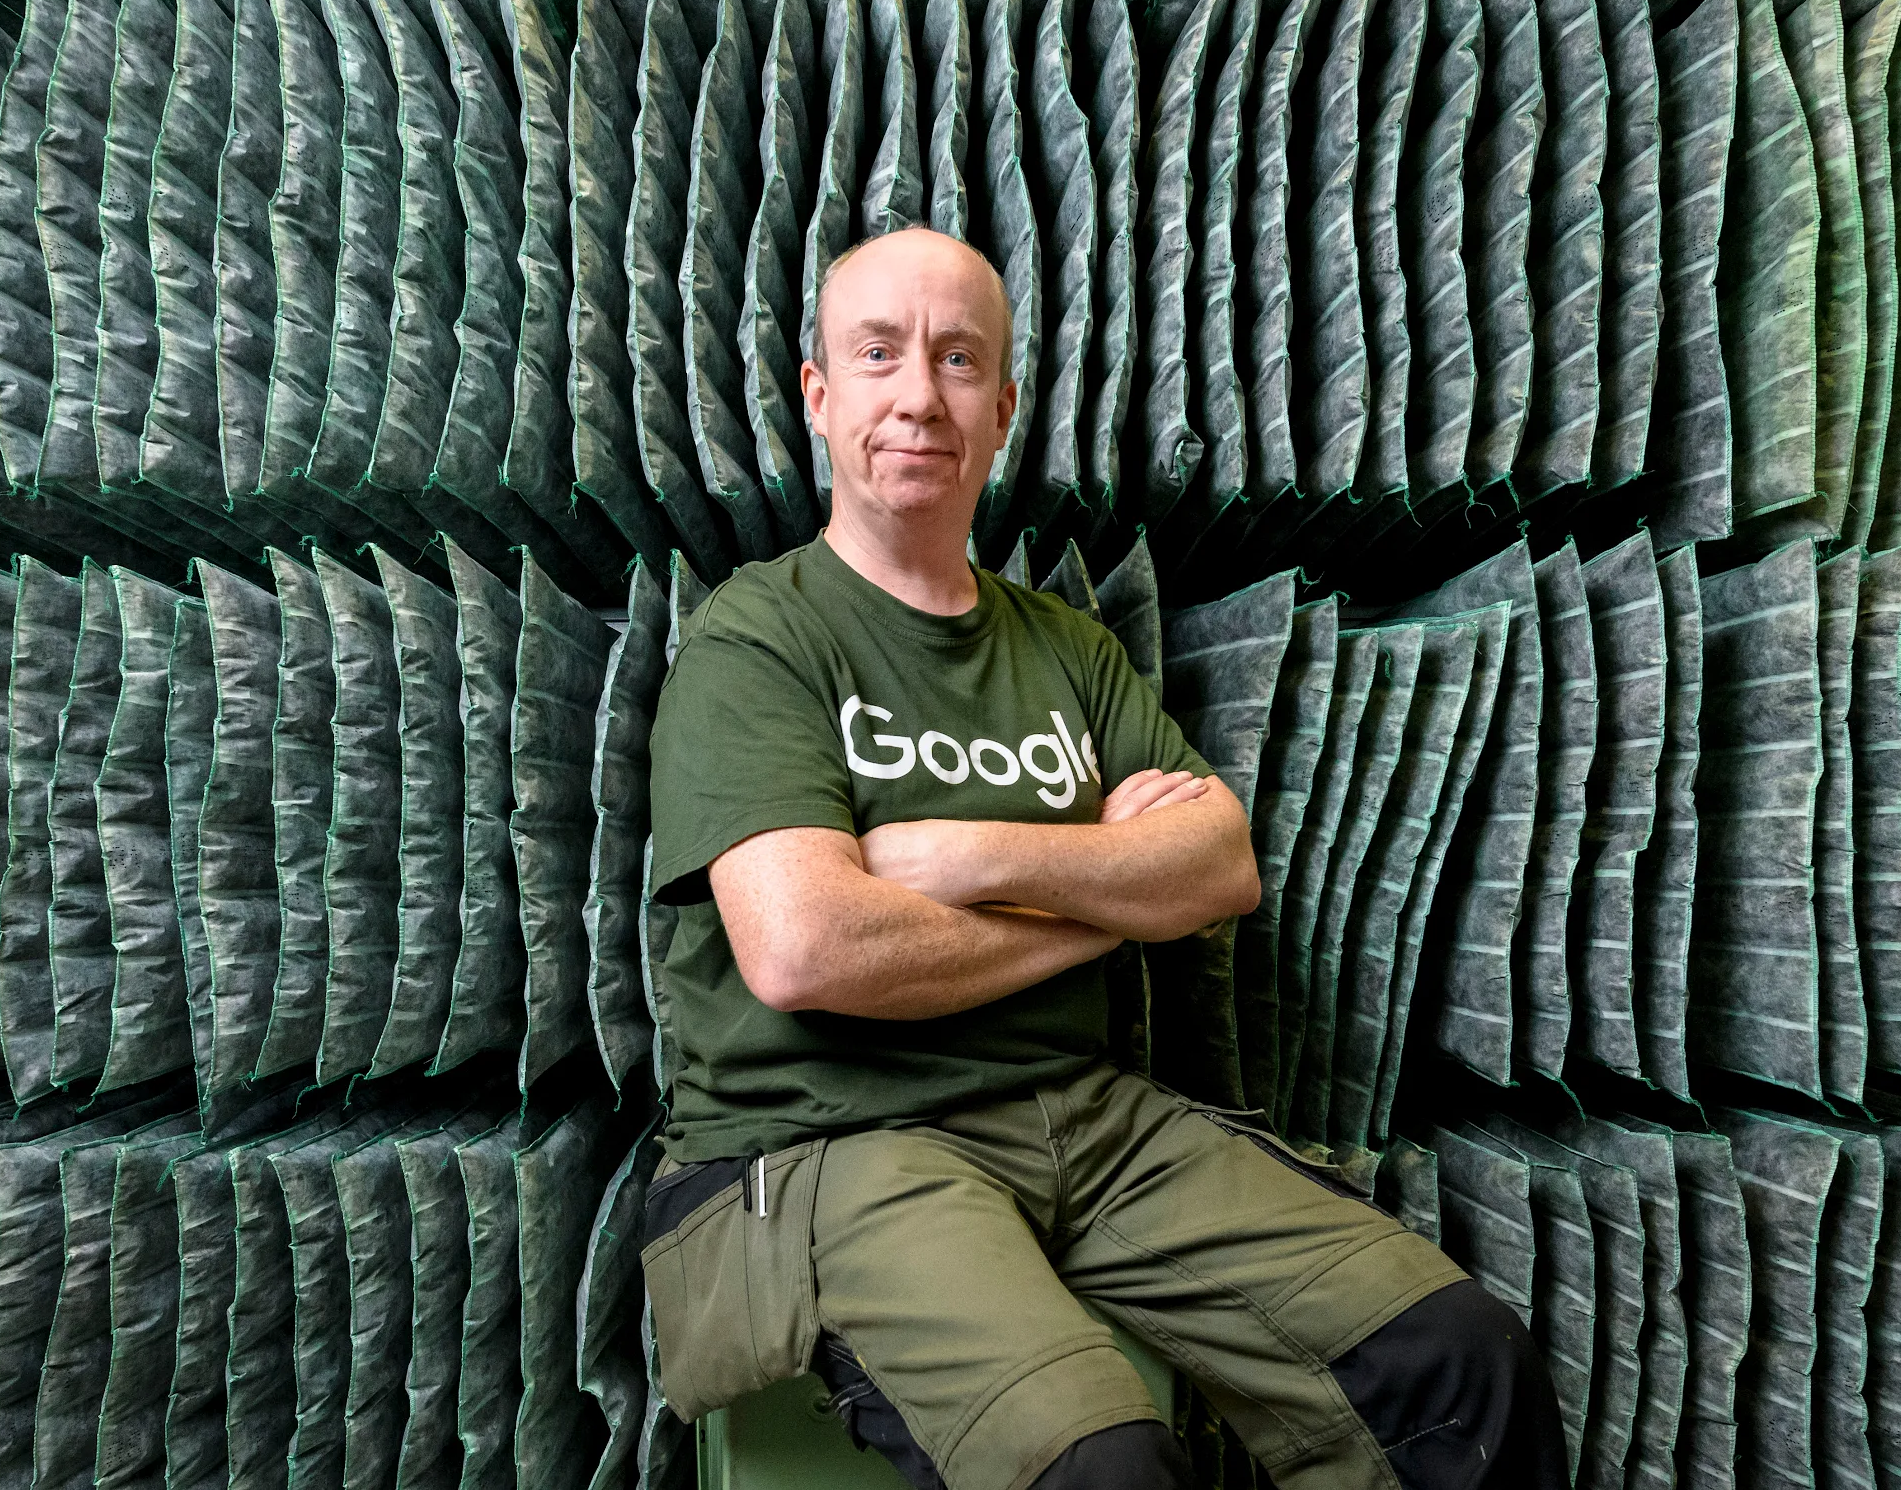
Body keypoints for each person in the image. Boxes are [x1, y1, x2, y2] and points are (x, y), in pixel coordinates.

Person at [642, 226, 1565, 1490]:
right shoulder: (758, 636)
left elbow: (1216, 864)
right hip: (835, 1139)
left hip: (1091, 1119)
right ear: (819, 393)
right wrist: (1109, 893)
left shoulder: (1068, 649)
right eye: (877, 353)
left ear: (1004, 403)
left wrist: (962, 852)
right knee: (1104, 1467)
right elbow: (807, 946)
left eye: (959, 358)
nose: (919, 392)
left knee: (1465, 1363)